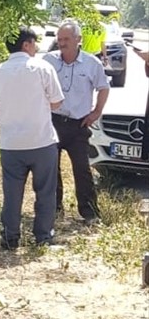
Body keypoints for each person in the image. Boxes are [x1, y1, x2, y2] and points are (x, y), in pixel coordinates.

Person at [0, 29, 64, 249]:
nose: (36, 48)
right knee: (45, 191)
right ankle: (43, 237)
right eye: (34, 43)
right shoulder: (43, 68)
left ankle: (10, 237)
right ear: (26, 45)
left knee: (12, 193)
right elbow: (57, 102)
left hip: (11, 144)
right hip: (42, 140)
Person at [43, 18, 109, 223]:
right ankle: (54, 210)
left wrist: (96, 112)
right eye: (59, 39)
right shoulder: (48, 60)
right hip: (52, 122)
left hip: (78, 124)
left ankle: (89, 213)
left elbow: (103, 88)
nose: (62, 43)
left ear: (78, 39)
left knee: (82, 169)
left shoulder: (91, 63)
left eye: (66, 39)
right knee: (51, 168)